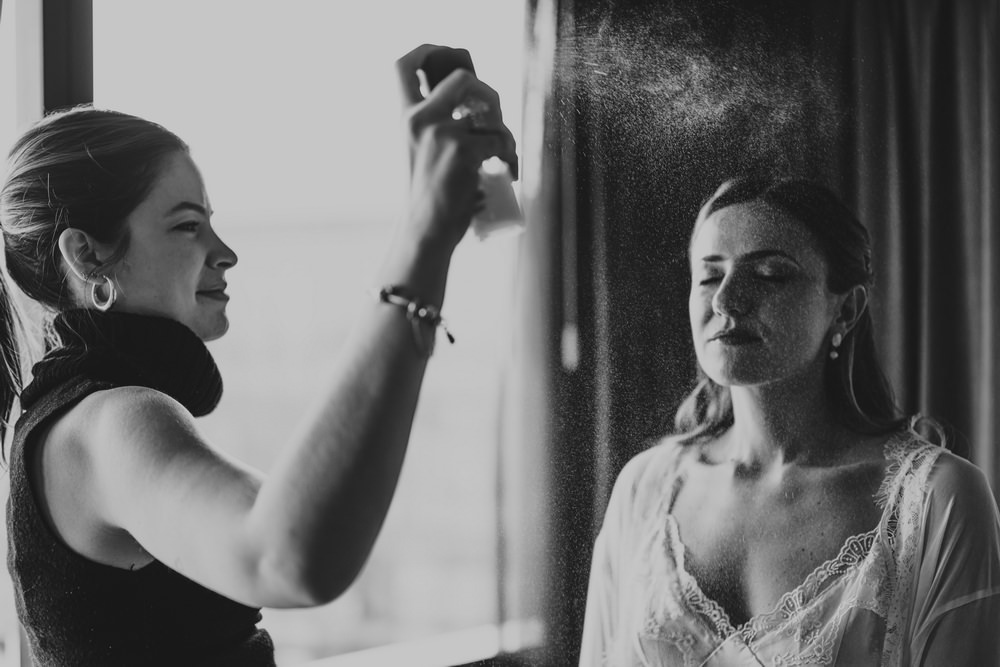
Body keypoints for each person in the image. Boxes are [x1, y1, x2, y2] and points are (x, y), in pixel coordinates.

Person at [0, 44, 517, 666]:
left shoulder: (62, 420)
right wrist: (423, 235)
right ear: (87, 256)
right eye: (187, 226)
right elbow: (288, 557)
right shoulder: (113, 421)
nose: (225, 253)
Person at [579, 175, 1000, 666]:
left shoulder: (940, 501)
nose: (726, 300)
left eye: (771, 274)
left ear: (845, 311)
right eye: (710, 276)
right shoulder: (644, 489)